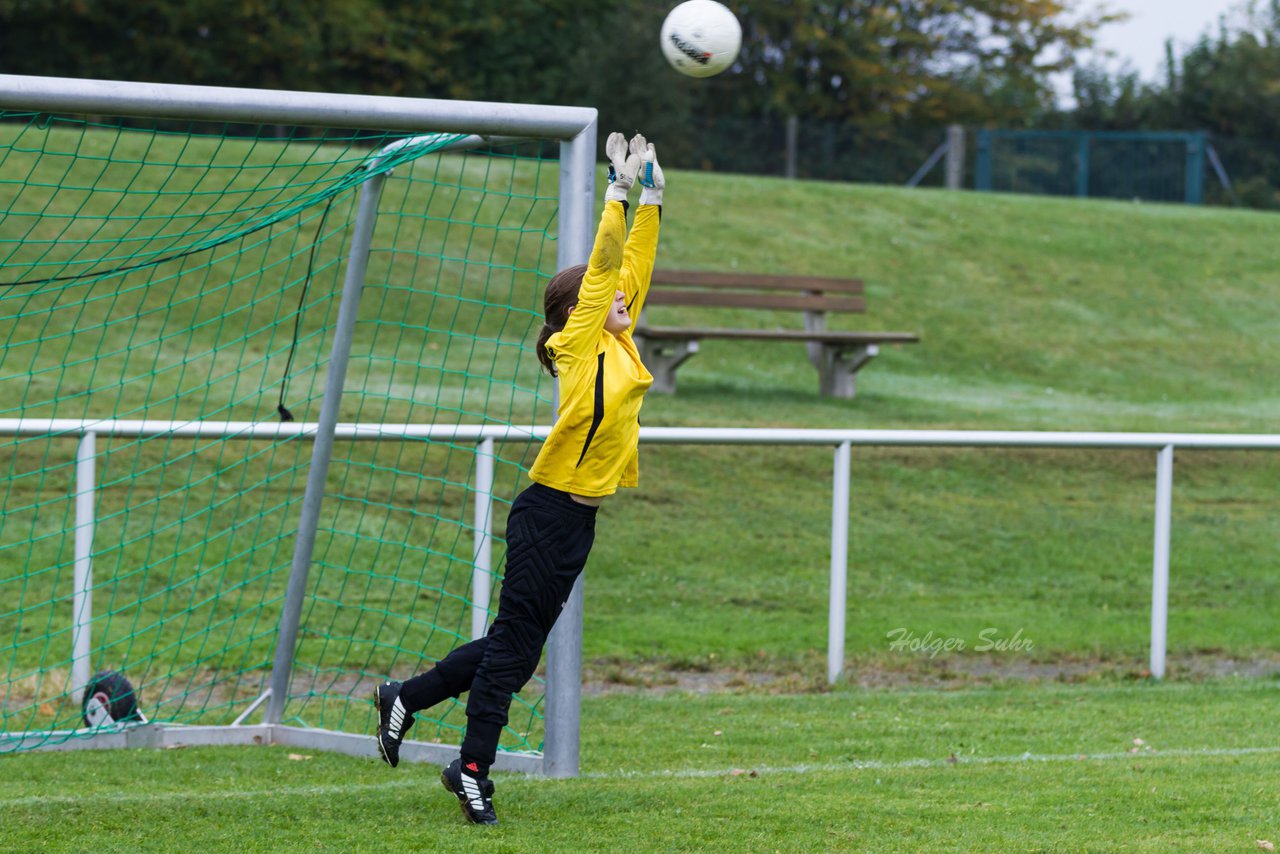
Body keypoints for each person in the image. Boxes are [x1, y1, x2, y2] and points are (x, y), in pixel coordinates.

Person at [372, 130, 665, 825]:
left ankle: (406, 698)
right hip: (548, 513)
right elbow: (605, 267)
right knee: (511, 652)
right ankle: (471, 769)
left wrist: (653, 193)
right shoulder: (576, 343)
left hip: (577, 520)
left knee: (515, 643)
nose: (627, 296)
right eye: (610, 295)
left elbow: (635, 266)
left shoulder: (617, 339)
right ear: (577, 314)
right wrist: (616, 193)